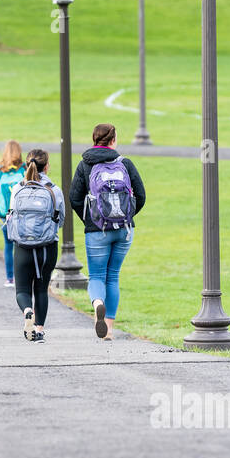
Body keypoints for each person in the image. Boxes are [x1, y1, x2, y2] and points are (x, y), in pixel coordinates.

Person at [68, 123, 146, 341]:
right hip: (123, 230)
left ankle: (97, 304)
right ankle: (109, 329)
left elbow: (74, 197)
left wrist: (91, 219)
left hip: (96, 230)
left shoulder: (85, 165)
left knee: (96, 276)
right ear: (113, 140)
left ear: (94, 139)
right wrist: (127, 216)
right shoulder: (125, 164)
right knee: (113, 276)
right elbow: (141, 195)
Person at [6, 149, 64, 343]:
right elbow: (60, 219)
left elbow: (11, 215)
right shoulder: (54, 190)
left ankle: (27, 311)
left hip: (22, 246)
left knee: (22, 290)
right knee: (41, 288)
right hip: (47, 247)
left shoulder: (17, 188)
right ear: (47, 166)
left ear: (26, 165)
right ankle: (39, 330)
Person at [0, 140, 25, 287]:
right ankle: (22, 278)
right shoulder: (24, 168)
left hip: (4, 215)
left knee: (8, 245)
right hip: (21, 214)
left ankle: (10, 278)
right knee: (20, 246)